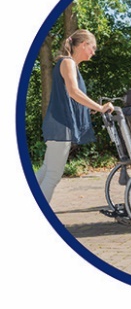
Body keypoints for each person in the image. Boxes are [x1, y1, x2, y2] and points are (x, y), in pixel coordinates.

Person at [35, 29, 114, 203]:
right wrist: (100, 108)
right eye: (92, 47)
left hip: (57, 124)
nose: (93, 52)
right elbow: (73, 92)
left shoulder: (69, 64)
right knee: (53, 176)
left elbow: (72, 98)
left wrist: (91, 108)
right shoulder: (68, 62)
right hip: (60, 126)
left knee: (46, 170)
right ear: (83, 45)